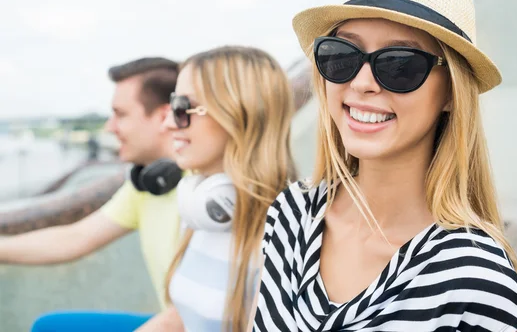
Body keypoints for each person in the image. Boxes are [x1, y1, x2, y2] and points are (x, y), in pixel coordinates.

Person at [250, 0, 517, 332]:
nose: (362, 83)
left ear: (451, 94)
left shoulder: (476, 280)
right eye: (341, 56)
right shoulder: (290, 215)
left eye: (400, 63)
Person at [0, 57, 182, 330]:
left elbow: (197, 311)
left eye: (120, 114)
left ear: (163, 116)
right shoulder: (147, 184)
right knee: (51, 327)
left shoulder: (209, 192)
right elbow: (74, 238)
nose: (109, 127)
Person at [137, 46, 296, 332]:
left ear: (238, 115)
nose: (170, 123)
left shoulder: (284, 236)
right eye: (174, 104)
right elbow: (180, 318)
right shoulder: (205, 210)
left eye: (184, 108)